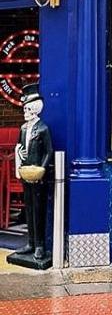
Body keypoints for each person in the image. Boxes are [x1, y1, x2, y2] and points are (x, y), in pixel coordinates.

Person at [14, 84, 53, 260]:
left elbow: (49, 152)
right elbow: (19, 147)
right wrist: (19, 158)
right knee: (28, 209)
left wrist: (42, 169)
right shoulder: (23, 129)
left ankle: (40, 245)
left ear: (35, 109)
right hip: (26, 173)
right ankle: (30, 242)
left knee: (38, 209)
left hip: (38, 176)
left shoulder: (43, 129)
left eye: (27, 108)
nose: (24, 111)